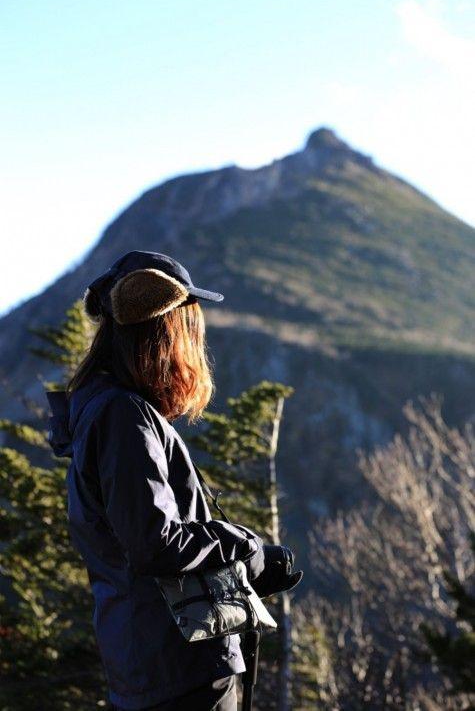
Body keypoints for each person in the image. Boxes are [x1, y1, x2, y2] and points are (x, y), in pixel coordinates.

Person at [45, 250, 301, 711]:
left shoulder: (106, 412)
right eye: (190, 325)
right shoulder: (123, 417)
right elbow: (154, 543)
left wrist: (251, 564)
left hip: (153, 664)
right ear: (168, 329)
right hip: (179, 670)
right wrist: (244, 545)